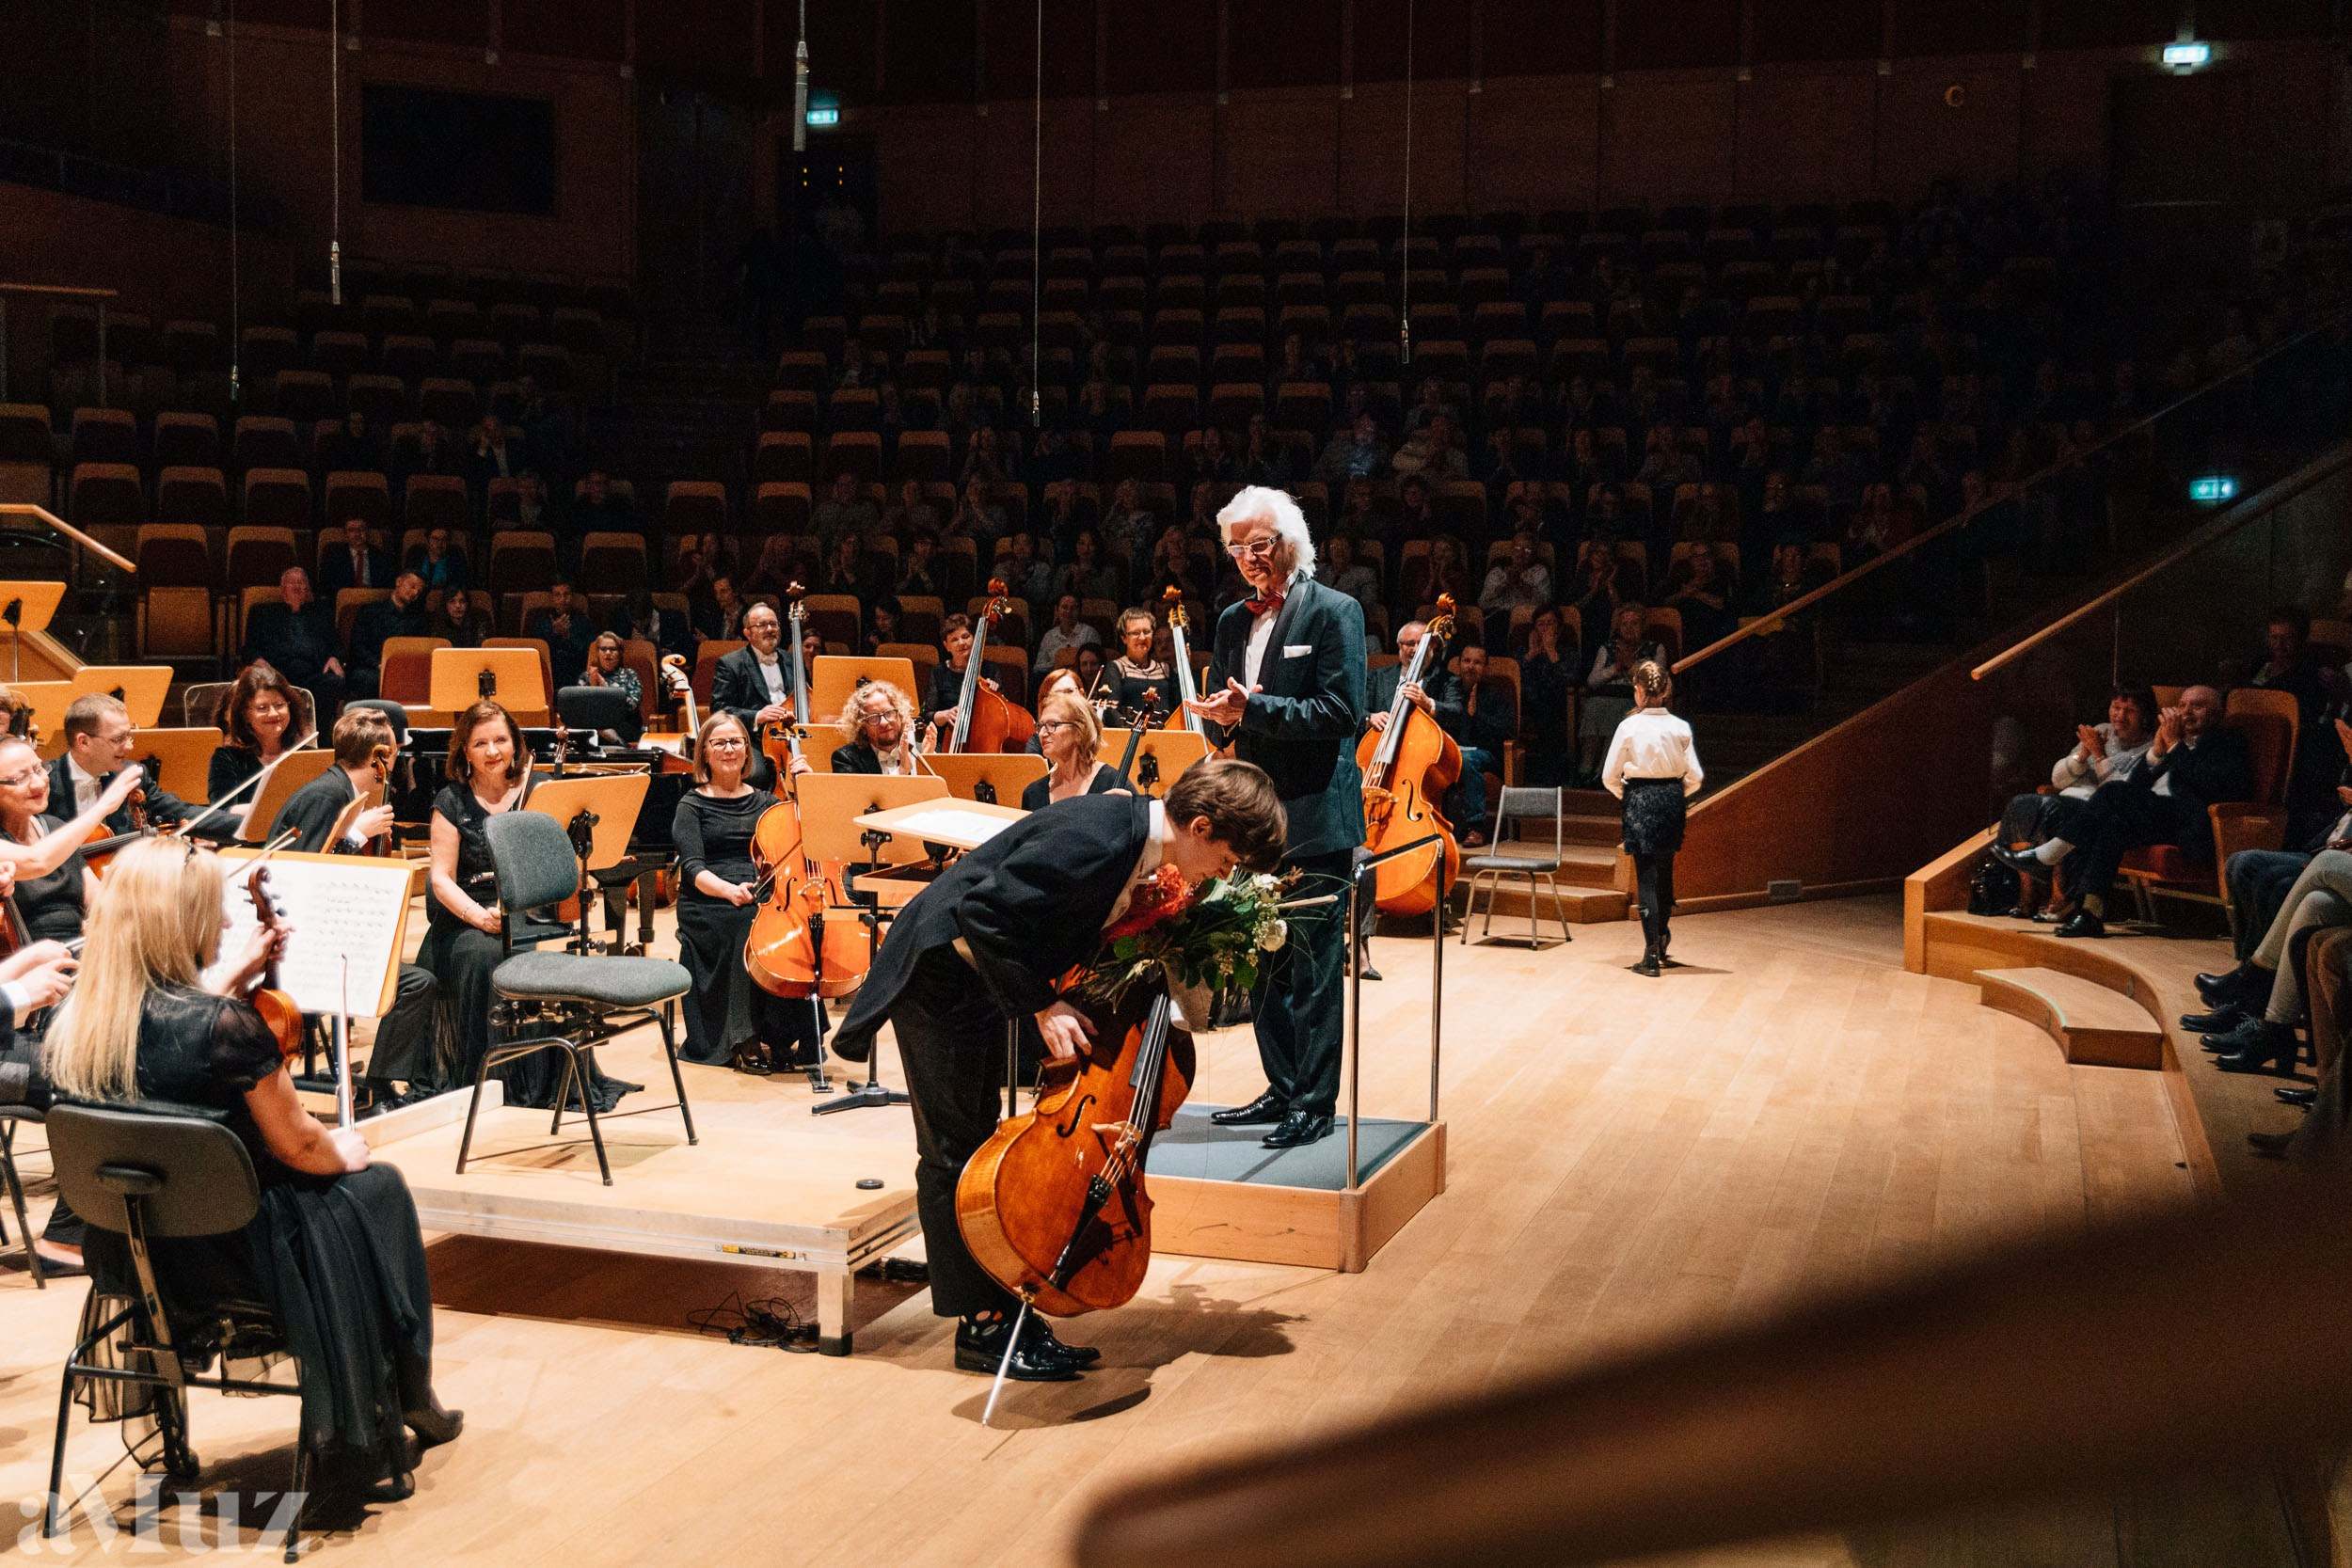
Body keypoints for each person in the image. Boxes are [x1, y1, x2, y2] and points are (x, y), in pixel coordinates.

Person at [831, 759, 1287, 1382]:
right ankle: (983, 1328)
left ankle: (1003, 1305)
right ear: (1201, 825)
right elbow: (982, 914)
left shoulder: (1133, 840)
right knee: (953, 1147)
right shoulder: (1100, 840)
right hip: (941, 973)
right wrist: (1041, 1005)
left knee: (980, 1133)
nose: (1223, 875)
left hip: (981, 974)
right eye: (1229, 860)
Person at [40, 838, 462, 1485]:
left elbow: (165, 1041)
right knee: (380, 1186)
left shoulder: (79, 1020)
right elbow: (299, 1145)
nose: (228, 919)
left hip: (136, 1252)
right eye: (214, 907)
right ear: (180, 923)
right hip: (247, 1252)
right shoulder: (226, 1027)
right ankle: (407, 1392)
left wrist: (229, 982)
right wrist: (341, 1147)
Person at [1186, 486, 1367, 1150]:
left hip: (1316, 817)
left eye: (1257, 545)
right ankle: (1281, 1086)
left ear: (1290, 542)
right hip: (1254, 818)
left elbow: (1342, 713)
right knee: (1262, 961)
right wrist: (1220, 724)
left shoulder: (1335, 612)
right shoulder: (1233, 620)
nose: (1246, 559)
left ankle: (1315, 1103)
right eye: (1236, 547)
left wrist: (1251, 713)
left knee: (1316, 971)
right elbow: (1239, 714)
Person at [419, 702, 639, 1110]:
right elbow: (441, 879)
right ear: (464, 751)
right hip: (469, 914)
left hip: (527, 910)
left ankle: (539, 1079)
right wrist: (478, 916)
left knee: (554, 956)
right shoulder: (450, 801)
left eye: (500, 740)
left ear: (516, 743)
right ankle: (490, 1079)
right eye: (480, 743)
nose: (491, 751)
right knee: (487, 957)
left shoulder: (540, 791)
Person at [0, 734, 143, 1266]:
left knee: (130, 1030)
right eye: (20, 778)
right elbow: (37, 861)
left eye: (39, 770)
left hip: (58, 965)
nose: (39, 782)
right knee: (100, 1070)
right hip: (22, 1015)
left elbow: (100, 906)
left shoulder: (57, 827)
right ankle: (69, 1232)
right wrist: (105, 806)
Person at [273, 707, 454, 1111]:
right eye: (392, 755)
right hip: (301, 954)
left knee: (415, 978)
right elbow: (297, 875)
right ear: (378, 757)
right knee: (415, 983)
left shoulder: (344, 792)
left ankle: (380, 1085)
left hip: (330, 939)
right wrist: (356, 835)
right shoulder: (327, 796)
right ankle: (378, 1085)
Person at [1989, 685, 2255, 939]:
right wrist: (2157, 752)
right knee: (2113, 822)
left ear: (2217, 714)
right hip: (2161, 817)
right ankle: (2091, 912)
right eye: (2182, 704)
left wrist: (2174, 746)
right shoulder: (2176, 742)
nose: (2185, 712)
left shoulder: (2227, 740)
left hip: (2194, 824)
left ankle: (2048, 855)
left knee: (2114, 793)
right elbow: (2137, 785)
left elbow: (2211, 784)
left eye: (2197, 707)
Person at [672, 712, 824, 1076]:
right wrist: (728, 891)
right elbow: (692, 869)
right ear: (705, 754)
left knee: (794, 925)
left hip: (761, 890)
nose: (729, 749)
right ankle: (745, 1038)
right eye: (720, 743)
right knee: (747, 924)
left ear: (747, 751)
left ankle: (786, 1036)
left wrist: (803, 790)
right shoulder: (691, 805)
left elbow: (803, 840)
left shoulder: (766, 802)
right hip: (710, 900)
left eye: (737, 741)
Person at [1993, 686, 2155, 921]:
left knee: (2055, 811)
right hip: (2068, 797)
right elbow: (2057, 779)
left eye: (2129, 710)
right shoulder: (2101, 731)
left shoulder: (2149, 749)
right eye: (2116, 707)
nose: (2119, 715)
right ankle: (2028, 896)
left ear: (2145, 716)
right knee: (2021, 803)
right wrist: (2082, 755)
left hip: (2095, 809)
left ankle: (2063, 899)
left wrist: (2099, 757)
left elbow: (2122, 793)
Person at [1604, 660, 1706, 977]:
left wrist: (1631, 796)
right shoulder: (1679, 727)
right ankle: (1662, 939)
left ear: (1638, 690)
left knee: (1645, 876)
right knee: (1665, 870)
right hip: (1671, 799)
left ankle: (1649, 956)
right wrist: (1676, 794)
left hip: (1640, 798)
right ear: (1664, 692)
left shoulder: (1629, 727)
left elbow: (1609, 776)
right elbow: (1696, 777)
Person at [51, 692, 197, 836]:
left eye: (129, 737)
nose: (129, 747)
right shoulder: (44, 786)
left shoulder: (131, 776)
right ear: (84, 742)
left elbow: (181, 811)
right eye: (117, 739)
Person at [206, 664, 312, 832]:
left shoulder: (309, 755)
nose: (273, 714)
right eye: (262, 708)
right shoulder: (226, 758)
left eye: (279, 705)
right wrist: (284, 811)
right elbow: (221, 812)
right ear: (245, 714)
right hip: (244, 847)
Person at [1579, 604, 1665, 785]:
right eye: (1624, 624)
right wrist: (1615, 668)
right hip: (1605, 694)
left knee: (1618, 711)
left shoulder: (1655, 649)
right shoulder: (1607, 648)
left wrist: (1631, 664)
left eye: (1634, 623)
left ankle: (1604, 771)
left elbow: (1656, 684)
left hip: (1633, 698)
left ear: (1643, 627)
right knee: (1595, 706)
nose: (1629, 628)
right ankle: (1586, 768)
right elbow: (1592, 681)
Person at [241, 567, 346, 718]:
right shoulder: (262, 613)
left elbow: (336, 645)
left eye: (301, 582)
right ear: (282, 589)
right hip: (276, 673)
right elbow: (249, 649)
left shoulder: (321, 614)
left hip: (314, 672)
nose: (297, 586)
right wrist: (260, 662)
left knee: (334, 682)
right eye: (292, 582)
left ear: (308, 589)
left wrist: (333, 658)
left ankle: (321, 737)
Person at [1023, 689, 1135, 810]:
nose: (1042, 734)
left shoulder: (1112, 783)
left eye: (1052, 725)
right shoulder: (1033, 794)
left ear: (1079, 731)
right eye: (1041, 726)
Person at [710, 600, 797, 747]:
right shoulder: (731, 664)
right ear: (748, 633)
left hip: (793, 735)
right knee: (756, 771)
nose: (770, 629)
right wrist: (757, 716)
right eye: (762, 625)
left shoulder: (792, 660)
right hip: (753, 739)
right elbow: (719, 709)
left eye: (773, 624)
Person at [346, 569, 431, 701]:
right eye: (412, 586)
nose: (415, 593)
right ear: (398, 582)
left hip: (404, 669)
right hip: (373, 668)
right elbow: (358, 647)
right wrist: (379, 664)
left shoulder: (418, 619)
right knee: (366, 678)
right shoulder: (371, 611)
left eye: (419, 592)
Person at [831, 681, 926, 775]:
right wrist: (901, 772)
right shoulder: (846, 758)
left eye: (889, 713)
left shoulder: (916, 751)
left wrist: (929, 759)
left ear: (900, 715)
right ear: (862, 727)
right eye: (873, 718)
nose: (884, 722)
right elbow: (863, 791)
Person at [526, 579, 598, 690]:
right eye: (557, 595)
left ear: (572, 596)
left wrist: (568, 637)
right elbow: (536, 655)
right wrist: (554, 634)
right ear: (552, 598)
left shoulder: (584, 621)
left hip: (576, 674)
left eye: (566, 594)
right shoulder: (541, 622)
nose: (562, 600)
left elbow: (589, 654)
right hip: (549, 673)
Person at [579, 631, 644, 736]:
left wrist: (605, 689)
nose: (608, 653)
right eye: (603, 649)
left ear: (620, 653)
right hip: (595, 728)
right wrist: (592, 688)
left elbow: (632, 706)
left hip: (624, 726)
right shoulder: (586, 677)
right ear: (598, 653)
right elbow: (581, 709)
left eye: (613, 649)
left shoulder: (630, 675)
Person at [317, 517, 395, 600]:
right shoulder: (333, 557)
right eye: (352, 530)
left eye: (361, 529)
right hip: (344, 601)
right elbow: (326, 586)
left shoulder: (381, 557)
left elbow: (388, 587)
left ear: (367, 533)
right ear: (345, 535)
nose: (357, 534)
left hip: (373, 600)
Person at [1033, 592, 1103, 675]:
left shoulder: (1089, 633)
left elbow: (1096, 664)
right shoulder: (1049, 636)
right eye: (1065, 607)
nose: (1069, 612)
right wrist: (1058, 664)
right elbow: (1038, 667)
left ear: (1079, 611)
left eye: (1073, 608)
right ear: (1057, 610)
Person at [404, 526, 469, 592]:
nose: (440, 543)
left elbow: (459, 586)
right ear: (427, 541)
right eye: (435, 539)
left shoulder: (455, 561)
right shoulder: (416, 558)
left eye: (444, 539)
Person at [429, 585, 488, 649]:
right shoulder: (437, 624)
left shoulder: (478, 622)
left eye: (462, 601)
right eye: (452, 601)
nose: (458, 606)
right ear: (445, 605)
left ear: (467, 604)